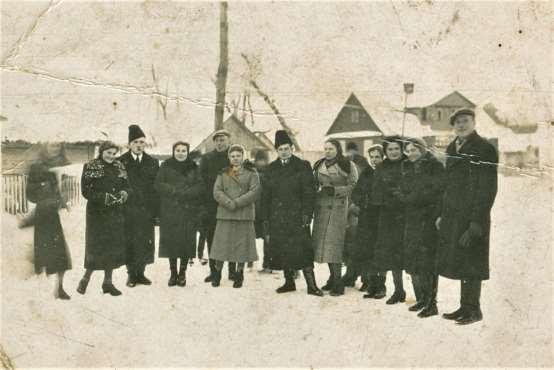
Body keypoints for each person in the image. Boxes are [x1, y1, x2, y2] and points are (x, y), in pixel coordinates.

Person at [437, 108, 498, 325]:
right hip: (454, 215)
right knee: (461, 260)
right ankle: (465, 306)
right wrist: (442, 215)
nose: (461, 125)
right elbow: (448, 186)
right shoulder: (453, 147)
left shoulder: (485, 149)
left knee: (473, 261)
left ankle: (474, 309)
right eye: (457, 122)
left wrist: (476, 223)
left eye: (465, 121)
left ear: (473, 122)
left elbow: (487, 188)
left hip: (474, 216)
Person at [261, 131, 323, 296]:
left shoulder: (302, 166)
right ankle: (289, 283)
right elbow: (265, 196)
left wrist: (306, 214)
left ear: (292, 148)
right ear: (277, 150)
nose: (284, 151)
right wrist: (266, 218)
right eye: (280, 149)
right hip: (277, 216)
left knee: (303, 250)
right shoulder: (271, 169)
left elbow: (309, 192)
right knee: (282, 249)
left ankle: (312, 285)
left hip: (297, 217)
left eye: (286, 148)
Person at [398, 138, 445, 318]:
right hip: (412, 218)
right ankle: (422, 299)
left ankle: (431, 303)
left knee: (427, 261)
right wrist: (404, 195)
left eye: (414, 150)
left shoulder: (435, 166)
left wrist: (414, 197)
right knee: (413, 259)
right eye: (408, 151)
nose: (410, 154)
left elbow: (438, 191)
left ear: (422, 149)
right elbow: (403, 190)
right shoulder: (407, 167)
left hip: (428, 219)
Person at [78, 141, 129, 296]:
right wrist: (104, 198)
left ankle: (108, 283)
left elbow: (127, 186)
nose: (111, 156)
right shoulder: (91, 166)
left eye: (114, 154)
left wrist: (124, 193)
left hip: (115, 212)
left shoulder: (119, 166)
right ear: (101, 152)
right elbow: (86, 191)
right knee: (97, 246)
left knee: (112, 246)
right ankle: (85, 278)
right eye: (108, 153)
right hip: (97, 213)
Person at [26, 142, 72, 300]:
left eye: (58, 147)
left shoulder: (63, 166)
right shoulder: (37, 167)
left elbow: (64, 189)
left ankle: (59, 288)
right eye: (52, 146)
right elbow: (30, 194)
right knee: (43, 254)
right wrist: (44, 187)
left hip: (54, 213)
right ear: (45, 147)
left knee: (61, 254)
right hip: (43, 214)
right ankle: (39, 291)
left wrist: (63, 200)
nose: (56, 149)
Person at [155, 142, 205, 287]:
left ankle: (182, 273)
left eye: (184, 150)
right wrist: (173, 191)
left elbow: (200, 186)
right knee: (171, 242)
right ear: (173, 151)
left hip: (188, 210)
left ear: (188, 152)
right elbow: (158, 184)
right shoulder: (165, 166)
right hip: (170, 210)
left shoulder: (194, 167)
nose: (181, 153)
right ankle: (173, 273)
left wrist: (187, 193)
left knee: (186, 242)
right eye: (178, 150)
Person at [209, 144, 260, 288]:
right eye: (233, 156)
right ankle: (217, 273)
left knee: (242, 246)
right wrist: (228, 203)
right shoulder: (223, 173)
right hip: (226, 213)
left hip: (244, 214)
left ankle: (239, 274)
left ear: (243, 157)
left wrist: (236, 202)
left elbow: (255, 192)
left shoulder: (252, 173)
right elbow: (216, 191)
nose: (235, 159)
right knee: (221, 245)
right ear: (229, 158)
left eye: (238, 156)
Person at [312, 139, 358, 296]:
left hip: (338, 208)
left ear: (338, 149)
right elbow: (313, 183)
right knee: (324, 246)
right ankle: (332, 278)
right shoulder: (319, 164)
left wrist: (336, 190)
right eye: (325, 148)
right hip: (322, 208)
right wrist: (318, 190)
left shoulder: (347, 164)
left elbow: (354, 185)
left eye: (331, 148)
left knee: (335, 245)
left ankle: (339, 283)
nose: (327, 151)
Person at [118, 125, 160, 288]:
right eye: (135, 142)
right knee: (129, 241)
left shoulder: (152, 162)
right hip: (128, 209)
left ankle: (141, 273)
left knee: (145, 241)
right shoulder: (121, 162)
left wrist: (156, 212)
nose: (139, 145)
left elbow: (156, 189)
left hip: (146, 210)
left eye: (142, 142)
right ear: (129, 144)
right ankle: (131, 274)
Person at [346, 145, 386, 298]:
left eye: (377, 157)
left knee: (379, 250)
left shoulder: (386, 172)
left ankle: (378, 284)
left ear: (383, 157)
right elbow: (357, 192)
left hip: (381, 217)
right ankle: (366, 280)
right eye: (372, 157)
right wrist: (360, 202)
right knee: (364, 248)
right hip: (366, 217)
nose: (375, 160)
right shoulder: (367, 173)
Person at [371, 135, 407, 304]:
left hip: (405, 215)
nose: (393, 152)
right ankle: (398, 290)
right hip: (386, 215)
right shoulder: (382, 167)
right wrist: (385, 196)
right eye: (390, 149)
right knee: (389, 252)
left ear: (401, 150)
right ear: (385, 151)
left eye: (396, 149)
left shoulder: (408, 164)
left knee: (406, 254)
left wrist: (400, 193)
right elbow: (375, 191)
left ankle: (422, 297)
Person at [200, 129, 237, 283]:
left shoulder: (235, 157)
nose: (220, 142)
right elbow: (202, 181)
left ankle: (232, 271)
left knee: (232, 237)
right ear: (214, 142)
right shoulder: (207, 158)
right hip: (211, 205)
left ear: (229, 140)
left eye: (223, 139)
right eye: (217, 140)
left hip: (231, 204)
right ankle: (214, 271)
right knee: (213, 238)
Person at [252, 149, 272, 274]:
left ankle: (268, 263)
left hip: (266, 211)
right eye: (259, 160)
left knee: (268, 238)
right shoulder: (251, 171)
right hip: (254, 210)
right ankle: (249, 261)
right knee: (249, 236)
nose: (261, 163)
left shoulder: (270, 173)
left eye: (263, 160)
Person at [189, 150, 208, 266]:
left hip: (203, 207)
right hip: (192, 207)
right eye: (195, 160)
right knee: (191, 232)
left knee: (203, 233)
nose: (197, 162)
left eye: (199, 160)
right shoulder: (189, 172)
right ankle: (191, 256)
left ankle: (200, 255)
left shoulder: (204, 172)